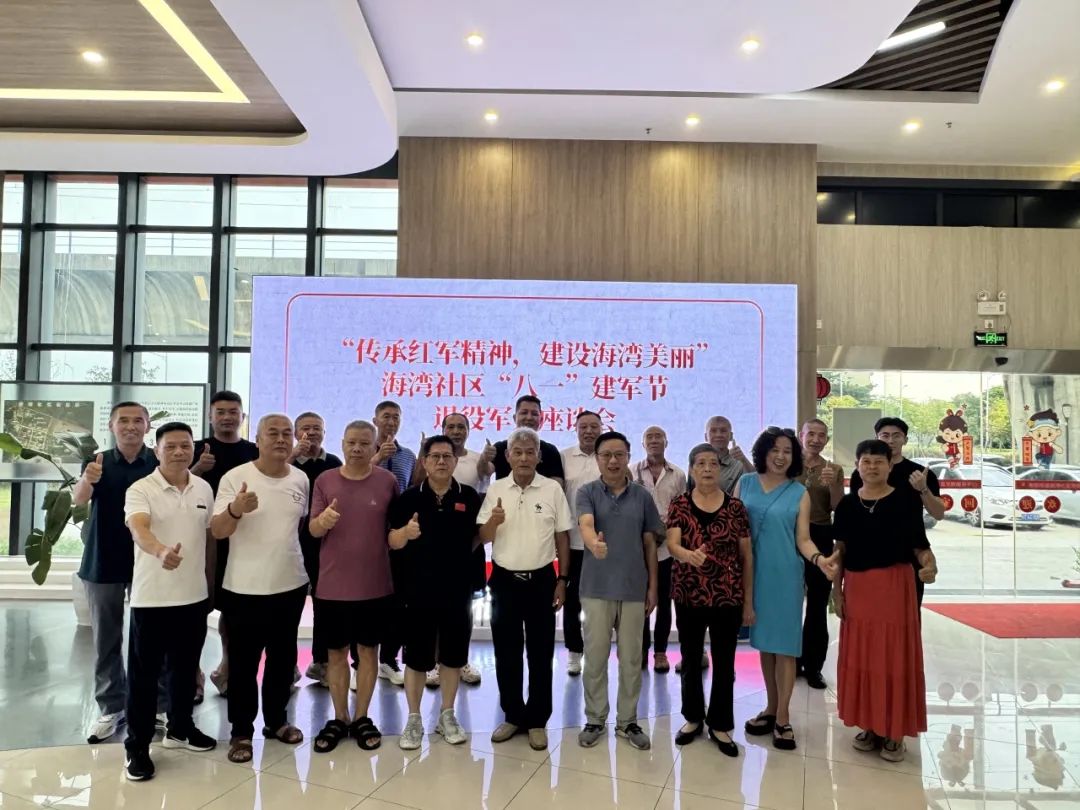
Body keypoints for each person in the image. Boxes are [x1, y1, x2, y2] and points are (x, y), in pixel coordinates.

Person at [210, 413, 310, 764]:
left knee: (282, 660)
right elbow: (218, 530)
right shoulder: (236, 477)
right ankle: (241, 731)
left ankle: (277, 721)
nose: (281, 439)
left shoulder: (300, 478)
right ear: (258, 438)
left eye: (287, 433)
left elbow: (296, 528)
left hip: (290, 584)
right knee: (243, 664)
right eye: (273, 433)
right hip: (244, 588)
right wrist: (236, 509)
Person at [121, 422, 217, 781]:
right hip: (152, 599)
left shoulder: (203, 487)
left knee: (185, 669)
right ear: (156, 450)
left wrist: (209, 585)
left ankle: (180, 728)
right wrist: (161, 551)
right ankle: (137, 747)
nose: (179, 452)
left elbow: (209, 537)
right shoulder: (141, 489)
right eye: (171, 446)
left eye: (185, 446)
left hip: (193, 597)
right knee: (144, 678)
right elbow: (139, 528)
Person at [833, 439, 937, 762]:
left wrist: (930, 565)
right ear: (857, 466)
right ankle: (870, 724)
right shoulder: (848, 505)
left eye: (878, 461)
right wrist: (837, 591)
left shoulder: (905, 501)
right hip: (858, 588)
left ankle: (894, 730)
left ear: (890, 466)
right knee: (862, 656)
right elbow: (840, 551)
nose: (872, 466)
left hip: (894, 586)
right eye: (865, 461)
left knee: (893, 657)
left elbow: (920, 546)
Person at [736, 427, 838, 751]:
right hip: (753, 575)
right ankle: (769, 707)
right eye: (774, 450)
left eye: (787, 451)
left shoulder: (799, 492)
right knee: (766, 645)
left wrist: (819, 560)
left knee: (786, 648)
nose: (780, 457)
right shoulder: (745, 483)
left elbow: (803, 539)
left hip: (785, 576)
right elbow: (735, 530)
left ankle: (783, 717)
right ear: (763, 452)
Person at [478, 427, 572, 752]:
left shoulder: (552, 489)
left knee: (541, 653)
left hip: (542, 581)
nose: (523, 458)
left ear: (538, 456)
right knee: (506, 652)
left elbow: (562, 537)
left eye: (529, 452)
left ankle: (537, 720)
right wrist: (494, 521)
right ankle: (513, 715)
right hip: (504, 581)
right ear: (507, 456)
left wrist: (562, 580)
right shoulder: (496, 489)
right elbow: (483, 537)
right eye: (517, 452)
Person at [307, 420, 398, 753]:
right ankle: (340, 717)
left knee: (368, 652)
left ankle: (361, 717)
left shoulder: (387, 481)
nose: (357, 448)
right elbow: (313, 530)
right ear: (342, 444)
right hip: (332, 586)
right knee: (336, 654)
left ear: (374, 446)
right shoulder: (325, 480)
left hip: (376, 585)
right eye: (351, 442)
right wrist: (324, 521)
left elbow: (394, 529)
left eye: (364, 443)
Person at [75, 402, 161, 744]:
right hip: (103, 561)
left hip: (147, 561)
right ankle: (111, 707)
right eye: (123, 421)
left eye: (138, 420)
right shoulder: (98, 461)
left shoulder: (157, 462)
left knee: (152, 636)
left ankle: (156, 705)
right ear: (111, 426)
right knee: (106, 640)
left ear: (147, 426)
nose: (130, 426)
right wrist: (87, 479)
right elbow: (79, 500)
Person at [390, 435, 483, 749]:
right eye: (435, 456)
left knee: (453, 657)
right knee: (417, 659)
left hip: (457, 591)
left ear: (456, 461)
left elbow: (478, 538)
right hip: (417, 591)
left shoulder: (469, 497)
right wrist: (406, 532)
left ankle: (447, 714)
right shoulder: (408, 498)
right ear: (425, 461)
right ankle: (414, 718)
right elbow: (392, 541)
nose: (441, 461)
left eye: (447, 456)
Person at [575, 431, 663, 750]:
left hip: (633, 587)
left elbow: (650, 543)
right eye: (606, 455)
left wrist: (653, 586)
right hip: (596, 587)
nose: (613, 461)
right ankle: (595, 718)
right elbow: (586, 524)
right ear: (597, 459)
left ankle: (628, 721)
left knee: (631, 659)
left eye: (619, 455)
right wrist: (593, 543)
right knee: (595, 658)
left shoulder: (642, 496)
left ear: (628, 457)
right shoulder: (587, 492)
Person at [666, 444, 753, 757]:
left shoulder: (736, 508)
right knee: (690, 658)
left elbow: (746, 556)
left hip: (727, 595)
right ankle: (693, 717)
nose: (707, 469)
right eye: (700, 463)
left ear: (720, 469)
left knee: (725, 661)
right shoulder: (679, 504)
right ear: (691, 469)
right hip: (688, 593)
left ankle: (720, 723)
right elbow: (672, 544)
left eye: (713, 464)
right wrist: (688, 555)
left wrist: (748, 603)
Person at [411, 412, 492, 688]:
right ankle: (434, 663)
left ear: (468, 430)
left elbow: (485, 486)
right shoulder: (433, 456)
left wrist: (485, 463)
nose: (456, 431)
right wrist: (422, 455)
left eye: (461, 427)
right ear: (443, 429)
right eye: (451, 426)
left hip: (467, 543)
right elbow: (416, 484)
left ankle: (461, 660)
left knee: (463, 610)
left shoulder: (477, 458)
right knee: (432, 609)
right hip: (432, 546)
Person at [191, 390, 259, 699]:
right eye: (220, 412)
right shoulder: (195, 449)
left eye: (233, 412)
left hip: (241, 540)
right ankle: (193, 676)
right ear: (210, 416)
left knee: (233, 613)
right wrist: (198, 469)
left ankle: (226, 671)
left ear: (243, 417)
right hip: (199, 540)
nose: (227, 417)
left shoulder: (254, 451)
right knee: (194, 609)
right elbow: (173, 483)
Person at [848, 417, 945, 607]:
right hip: (867, 552)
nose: (890, 440)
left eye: (896, 436)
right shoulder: (863, 473)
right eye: (885, 435)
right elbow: (854, 513)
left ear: (905, 440)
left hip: (910, 552)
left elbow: (938, 514)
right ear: (877, 437)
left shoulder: (920, 473)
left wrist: (923, 489)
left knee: (907, 612)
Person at [290, 412, 343, 687]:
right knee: (290, 605)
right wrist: (292, 455)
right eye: (305, 428)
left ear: (324, 433)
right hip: (289, 542)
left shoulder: (333, 463)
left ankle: (320, 662)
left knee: (325, 603)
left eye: (316, 428)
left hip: (324, 542)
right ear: (296, 432)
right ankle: (287, 666)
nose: (311, 433)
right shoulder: (285, 463)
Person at [632, 425, 687, 674]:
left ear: (666, 442)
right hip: (637, 548)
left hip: (667, 548)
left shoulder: (678, 474)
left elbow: (683, 509)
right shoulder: (631, 470)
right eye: (649, 437)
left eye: (658, 437)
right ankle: (641, 650)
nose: (654, 440)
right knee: (639, 601)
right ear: (643, 443)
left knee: (665, 602)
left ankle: (661, 652)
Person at [795, 419, 844, 690]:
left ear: (826, 439)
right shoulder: (789, 465)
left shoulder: (833, 469)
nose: (815, 439)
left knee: (817, 604)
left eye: (821, 435)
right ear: (800, 435)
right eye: (810, 434)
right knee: (790, 602)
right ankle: (790, 661)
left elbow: (838, 507)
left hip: (821, 534)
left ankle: (813, 666)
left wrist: (833, 485)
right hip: (791, 535)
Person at [373, 400, 417, 686]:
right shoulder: (363, 450)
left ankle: (389, 659)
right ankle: (360, 662)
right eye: (386, 416)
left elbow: (411, 491)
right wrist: (377, 457)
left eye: (396, 417)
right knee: (366, 600)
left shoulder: (408, 456)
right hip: (366, 533)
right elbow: (354, 479)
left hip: (399, 535)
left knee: (399, 599)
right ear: (375, 420)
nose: (391, 422)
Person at [560, 410, 603, 676]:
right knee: (573, 600)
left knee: (601, 601)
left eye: (594, 426)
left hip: (603, 542)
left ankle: (597, 650)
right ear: (575, 429)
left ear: (601, 428)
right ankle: (574, 652)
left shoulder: (608, 456)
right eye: (583, 427)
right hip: (573, 542)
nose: (589, 431)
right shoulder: (564, 457)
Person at [491, 395, 565, 485]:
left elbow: (557, 485)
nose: (529, 418)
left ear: (541, 420)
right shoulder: (499, 448)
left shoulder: (551, 451)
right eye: (524, 413)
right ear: (514, 418)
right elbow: (483, 473)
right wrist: (484, 459)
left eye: (534, 414)